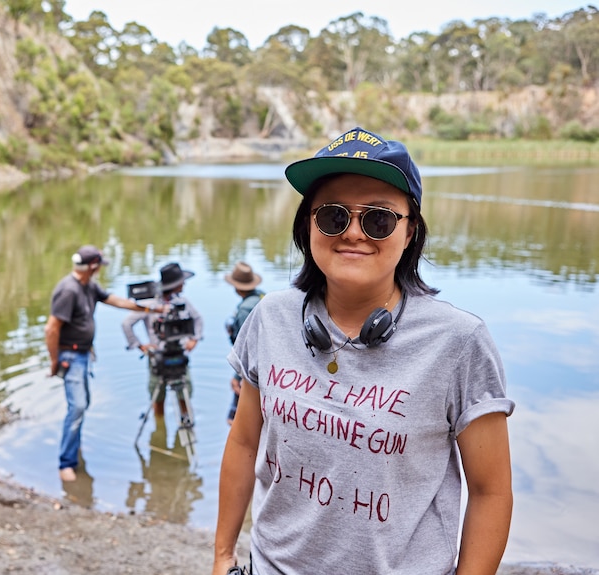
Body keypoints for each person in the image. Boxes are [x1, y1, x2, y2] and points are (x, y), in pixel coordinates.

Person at [212, 127, 514, 575]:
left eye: (378, 219)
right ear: (307, 225)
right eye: (333, 216)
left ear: (410, 231)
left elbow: (491, 491)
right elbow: (242, 441)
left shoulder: (458, 342)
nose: (353, 233)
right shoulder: (271, 317)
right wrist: (222, 557)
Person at [45, 244, 162, 482]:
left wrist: (147, 308)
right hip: (71, 357)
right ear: (93, 266)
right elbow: (51, 328)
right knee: (77, 407)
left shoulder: (88, 285)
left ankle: (74, 448)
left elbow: (114, 300)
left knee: (82, 405)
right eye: (99, 266)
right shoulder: (68, 290)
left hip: (84, 355)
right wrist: (54, 361)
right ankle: (65, 463)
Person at [121, 262, 203, 418]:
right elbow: (126, 323)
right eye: (182, 281)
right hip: (157, 356)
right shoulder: (151, 305)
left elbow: (198, 319)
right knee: (157, 397)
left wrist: (195, 339)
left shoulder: (182, 302)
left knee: (184, 394)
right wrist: (139, 346)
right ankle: (159, 425)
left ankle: (186, 421)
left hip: (179, 353)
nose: (184, 284)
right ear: (175, 284)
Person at [223, 261, 264, 425]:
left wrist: (237, 376)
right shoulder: (262, 296)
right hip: (267, 363)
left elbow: (245, 348)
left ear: (236, 287)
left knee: (236, 420)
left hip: (250, 368)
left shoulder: (244, 310)